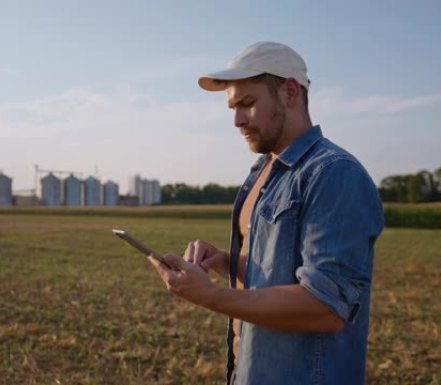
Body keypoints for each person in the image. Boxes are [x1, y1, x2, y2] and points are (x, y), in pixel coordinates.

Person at [147, 41, 384, 385]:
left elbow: (326, 306)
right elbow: (274, 276)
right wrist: (226, 261)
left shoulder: (334, 173)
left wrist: (209, 296)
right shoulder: (262, 172)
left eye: (247, 103)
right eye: (232, 107)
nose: (237, 120)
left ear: (290, 92)